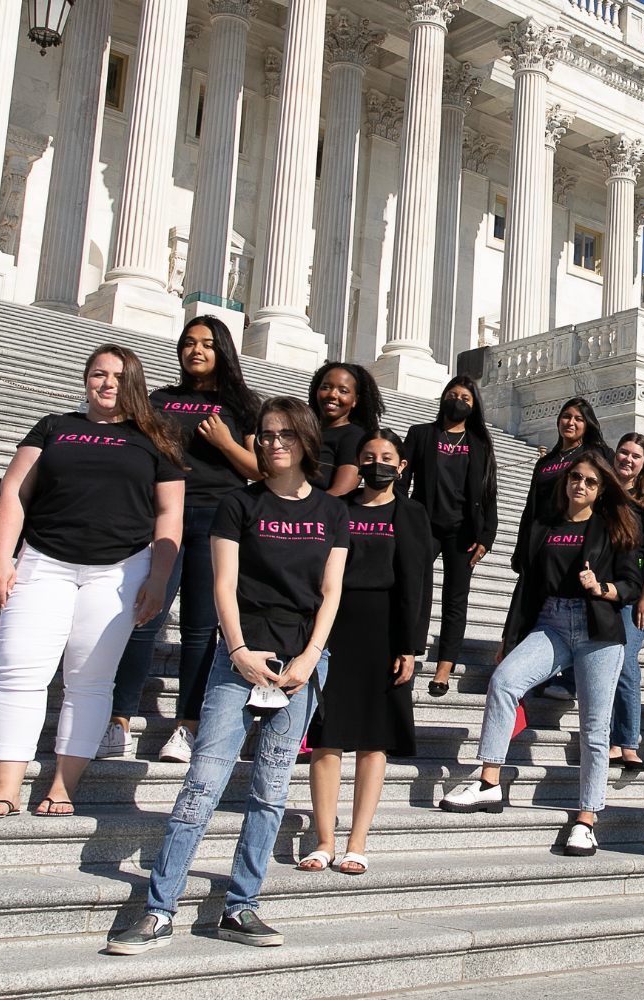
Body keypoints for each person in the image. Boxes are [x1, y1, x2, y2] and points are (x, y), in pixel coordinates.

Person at [105, 397, 348, 955]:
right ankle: (158, 909)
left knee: (269, 791)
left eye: (285, 433)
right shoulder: (240, 503)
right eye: (264, 433)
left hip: (301, 665)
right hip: (239, 658)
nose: (272, 442)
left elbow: (331, 591)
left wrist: (311, 658)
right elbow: (221, 584)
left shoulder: (332, 512)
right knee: (202, 784)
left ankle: (242, 907)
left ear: (307, 440)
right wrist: (237, 649)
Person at [0, 345, 184, 819]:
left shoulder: (157, 439)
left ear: (135, 383)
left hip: (119, 571)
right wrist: (0, 559)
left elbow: (170, 515)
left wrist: (159, 579)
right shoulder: (54, 426)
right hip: (44, 562)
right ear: (86, 380)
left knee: (89, 683)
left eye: (118, 376)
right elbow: (14, 491)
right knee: (19, 673)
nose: (107, 383)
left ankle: (62, 786)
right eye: (98, 374)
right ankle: (4, 786)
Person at [438, 451, 643, 859]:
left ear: (600, 489)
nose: (579, 485)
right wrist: (510, 637)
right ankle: (489, 782)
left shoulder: (614, 527)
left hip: (597, 630)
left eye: (589, 481)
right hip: (550, 621)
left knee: (594, 729)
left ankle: (586, 820)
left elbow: (631, 584)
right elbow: (527, 587)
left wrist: (602, 588)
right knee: (504, 681)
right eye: (575, 478)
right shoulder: (543, 526)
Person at [102, 316, 260, 764]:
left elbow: (258, 470)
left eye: (207, 344)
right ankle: (118, 722)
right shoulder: (160, 400)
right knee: (143, 620)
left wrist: (227, 443)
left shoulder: (243, 406)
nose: (197, 351)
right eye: (189, 343)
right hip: (164, 518)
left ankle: (187, 727)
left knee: (199, 629)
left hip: (219, 519)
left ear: (222, 351)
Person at [300, 431, 431, 875]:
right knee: (327, 733)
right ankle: (323, 840)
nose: (378, 463)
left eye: (387, 457)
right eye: (369, 457)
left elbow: (418, 582)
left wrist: (410, 645)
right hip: (334, 626)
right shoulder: (336, 508)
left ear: (402, 466)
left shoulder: (410, 513)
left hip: (385, 629)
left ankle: (357, 842)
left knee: (374, 739)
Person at [399, 376, 497, 698]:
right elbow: (402, 479)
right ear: (442, 398)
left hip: (462, 532)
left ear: (474, 406)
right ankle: (409, 651)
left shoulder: (478, 443)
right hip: (424, 526)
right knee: (415, 591)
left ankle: (444, 667)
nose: (457, 400)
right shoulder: (421, 434)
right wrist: (398, 517)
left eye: (465, 397)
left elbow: (488, 492)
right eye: (452, 394)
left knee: (456, 599)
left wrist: (487, 535)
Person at [601, 432, 644, 769]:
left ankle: (625, 741)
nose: (627, 459)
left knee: (625, 661)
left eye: (635, 456)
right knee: (606, 660)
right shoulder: (603, 490)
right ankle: (611, 738)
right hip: (599, 588)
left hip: (633, 593)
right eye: (623, 452)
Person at [513, 397, 611, 574]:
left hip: (577, 536)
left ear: (587, 424)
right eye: (566, 416)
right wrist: (520, 549)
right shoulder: (545, 462)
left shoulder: (598, 454)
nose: (571, 422)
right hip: (541, 535)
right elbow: (531, 507)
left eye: (578, 419)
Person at [306, 361, 384, 497]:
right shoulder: (305, 431)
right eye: (326, 387)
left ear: (355, 400)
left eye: (343, 391)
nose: (332, 395)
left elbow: (341, 492)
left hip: (311, 514)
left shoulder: (353, 437)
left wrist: (300, 513)